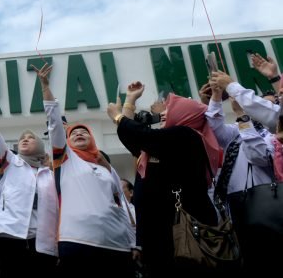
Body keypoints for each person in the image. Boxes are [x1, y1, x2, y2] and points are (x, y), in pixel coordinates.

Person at [111, 81, 224, 276]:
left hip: (180, 233)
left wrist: (118, 115)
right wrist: (130, 100)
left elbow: (139, 134)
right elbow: (132, 138)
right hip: (159, 234)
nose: (162, 114)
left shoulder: (186, 136)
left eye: (169, 110)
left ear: (185, 115)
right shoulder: (159, 145)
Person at [35, 63, 133, 278]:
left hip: (118, 246)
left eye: (84, 132)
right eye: (74, 133)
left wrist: (134, 243)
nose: (79, 134)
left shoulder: (107, 170)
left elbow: (122, 206)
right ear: (67, 141)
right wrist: (45, 87)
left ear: (93, 139)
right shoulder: (66, 160)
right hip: (77, 242)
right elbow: (54, 124)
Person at [0, 80, 58, 276]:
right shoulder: (10, 161)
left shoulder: (49, 175)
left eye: (30, 137)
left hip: (42, 241)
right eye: (21, 139)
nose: (25, 139)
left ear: (42, 147)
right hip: (10, 237)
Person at [207, 72, 278, 274]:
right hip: (236, 206)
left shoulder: (274, 136)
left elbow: (258, 155)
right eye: (259, 105)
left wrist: (242, 118)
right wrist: (215, 96)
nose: (261, 110)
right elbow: (215, 129)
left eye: (268, 106)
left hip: (265, 207)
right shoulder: (239, 130)